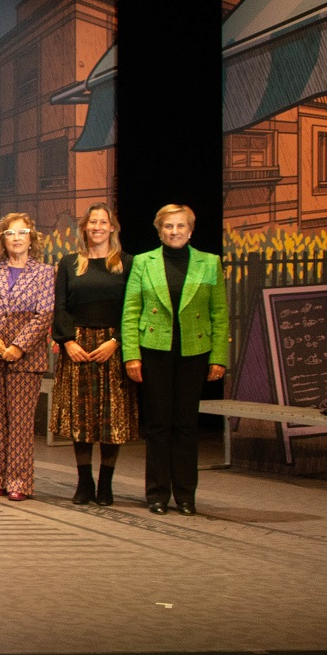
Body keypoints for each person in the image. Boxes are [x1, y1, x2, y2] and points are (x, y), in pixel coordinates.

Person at [122, 204, 228, 517]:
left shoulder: (210, 263)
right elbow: (130, 311)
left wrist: (219, 356)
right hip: (154, 350)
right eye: (168, 226)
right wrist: (131, 355)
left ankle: (185, 496)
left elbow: (219, 314)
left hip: (193, 352)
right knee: (158, 425)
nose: (174, 231)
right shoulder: (143, 262)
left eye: (180, 226)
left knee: (185, 425)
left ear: (190, 230)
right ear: (159, 230)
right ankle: (156, 494)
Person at [51, 203, 134, 506]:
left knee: (112, 419)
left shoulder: (127, 263)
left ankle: (106, 484)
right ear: (84, 228)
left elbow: (131, 309)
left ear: (113, 228)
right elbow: (60, 306)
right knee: (81, 417)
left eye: (103, 222)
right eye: (92, 222)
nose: (98, 227)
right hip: (78, 346)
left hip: (111, 346)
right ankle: (84, 481)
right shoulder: (70, 263)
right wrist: (68, 342)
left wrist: (116, 342)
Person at [0, 212, 54, 501]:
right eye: (10, 233)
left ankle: (19, 480)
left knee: (21, 422)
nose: (16, 238)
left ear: (31, 238)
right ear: (1, 240)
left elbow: (44, 314)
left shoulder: (45, 273)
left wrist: (17, 346)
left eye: (22, 232)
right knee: (1, 421)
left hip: (26, 357)